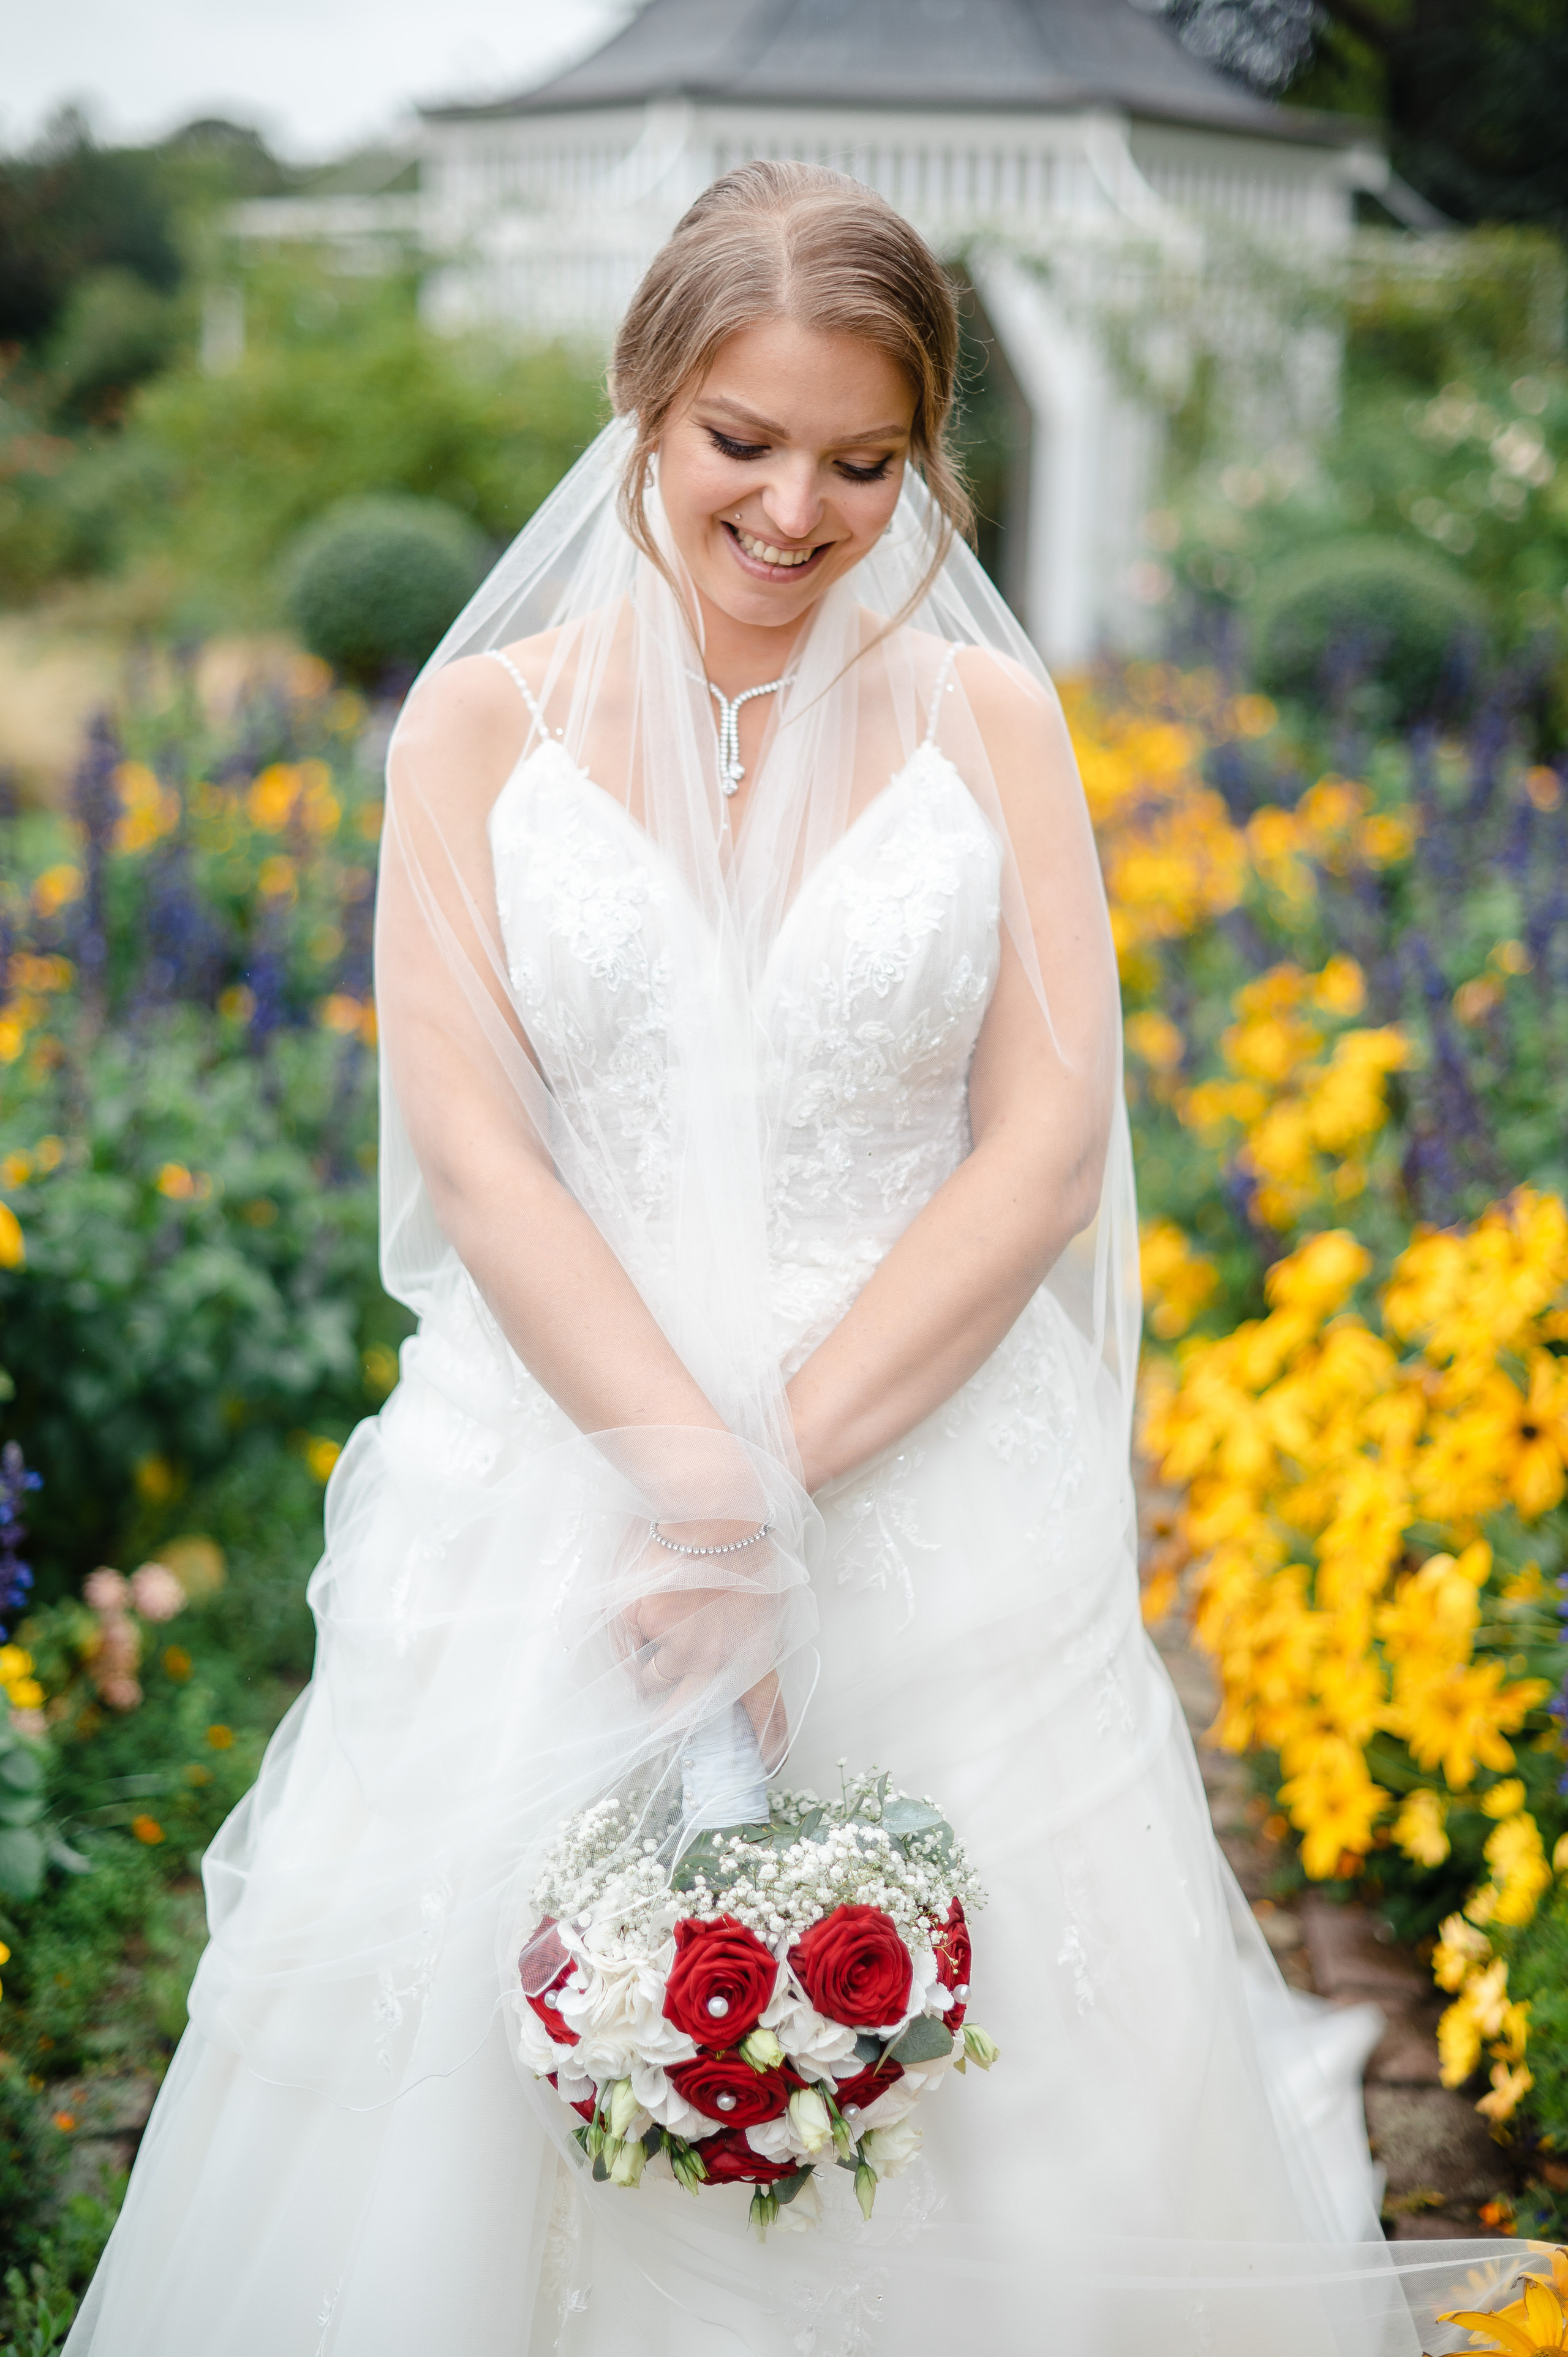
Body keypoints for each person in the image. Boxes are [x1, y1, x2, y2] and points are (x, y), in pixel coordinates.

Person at [66, 160, 1519, 2356]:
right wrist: (686, 1491)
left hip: (931, 1462)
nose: (796, 510)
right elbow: (479, 1154)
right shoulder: (478, 733)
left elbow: (1039, 1155)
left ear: (924, 456)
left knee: (1002, 2066)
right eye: (742, 442)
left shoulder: (987, 726)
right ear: (644, 402)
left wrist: (778, 1493)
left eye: (863, 460)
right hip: (560, 1453)